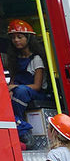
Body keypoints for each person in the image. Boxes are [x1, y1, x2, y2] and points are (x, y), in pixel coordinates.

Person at [6, 19, 51, 147]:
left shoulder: (36, 59)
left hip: (35, 93)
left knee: (20, 91)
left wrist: (15, 87)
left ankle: (23, 129)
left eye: (19, 37)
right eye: (13, 38)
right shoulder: (14, 60)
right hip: (19, 92)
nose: (16, 40)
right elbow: (13, 82)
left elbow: (37, 86)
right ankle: (20, 126)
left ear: (28, 38)